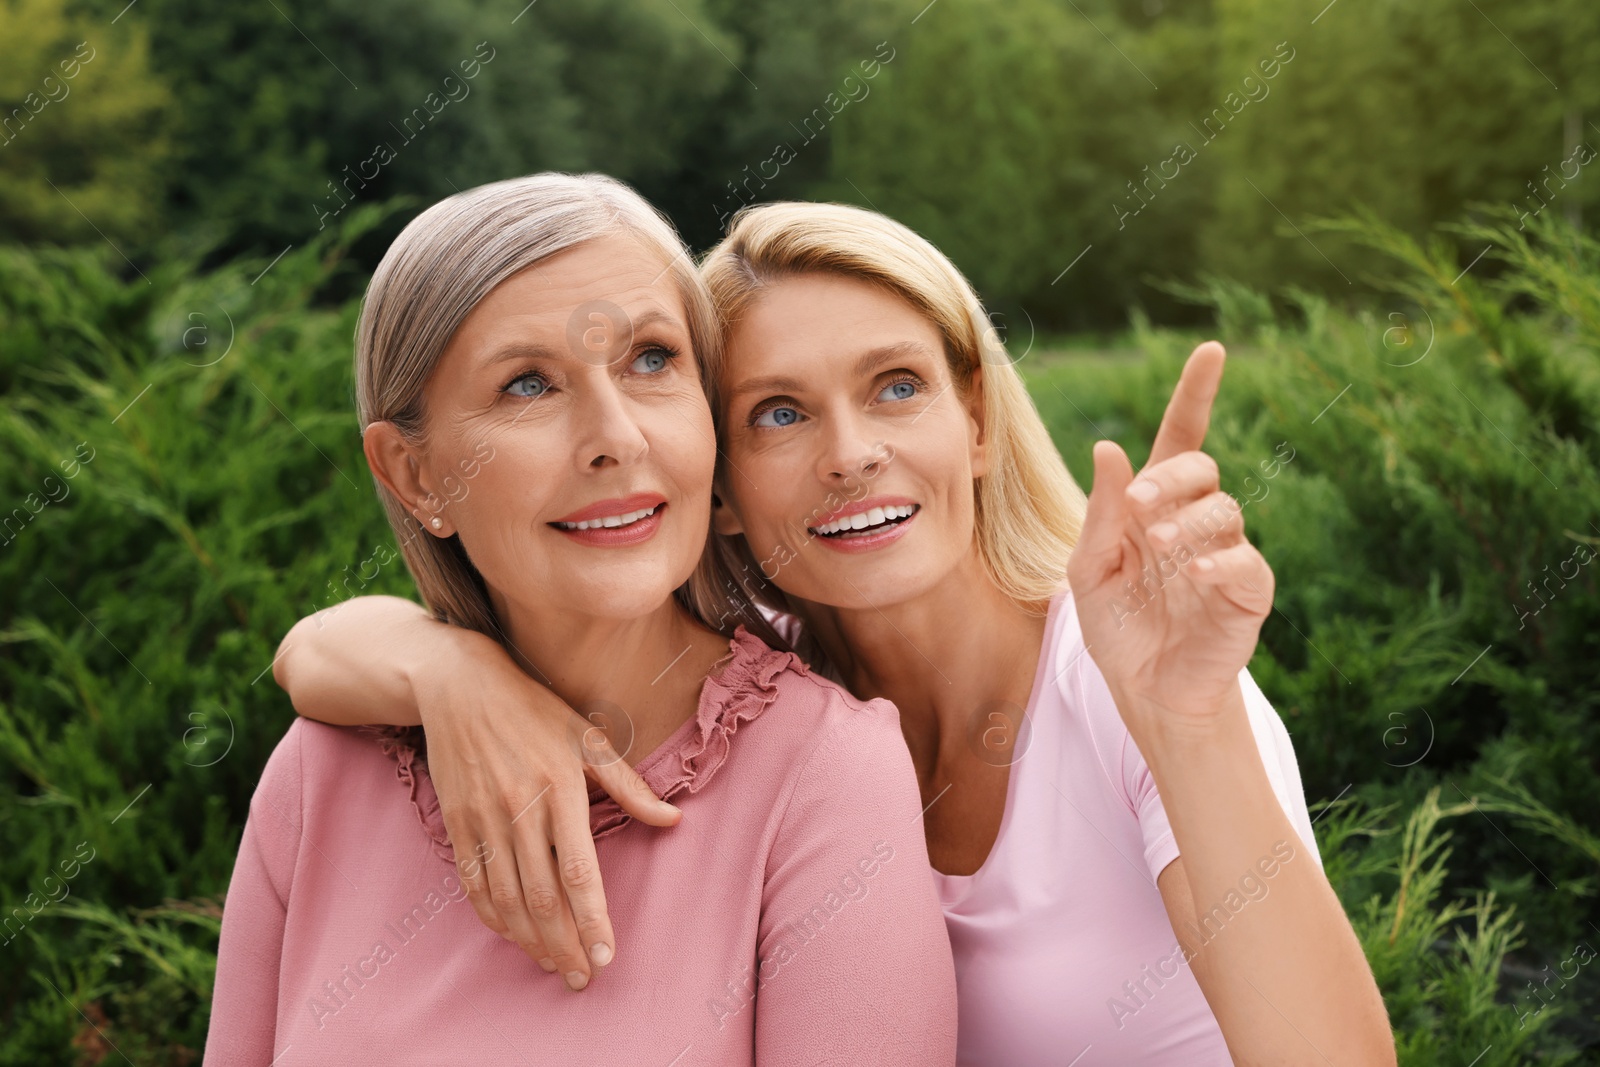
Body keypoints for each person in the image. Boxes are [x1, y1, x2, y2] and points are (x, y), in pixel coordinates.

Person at [272, 199, 1395, 1064]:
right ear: (716, 474)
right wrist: (447, 664)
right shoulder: (758, 676)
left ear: (977, 422)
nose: (849, 451)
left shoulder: (1120, 682)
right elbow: (313, 653)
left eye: (895, 386)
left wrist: (1187, 716)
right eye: (778, 412)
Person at [203, 176, 957, 1066]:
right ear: (414, 476)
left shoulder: (824, 774)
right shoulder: (320, 772)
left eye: (650, 361)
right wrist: (453, 678)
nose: (617, 436)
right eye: (528, 383)